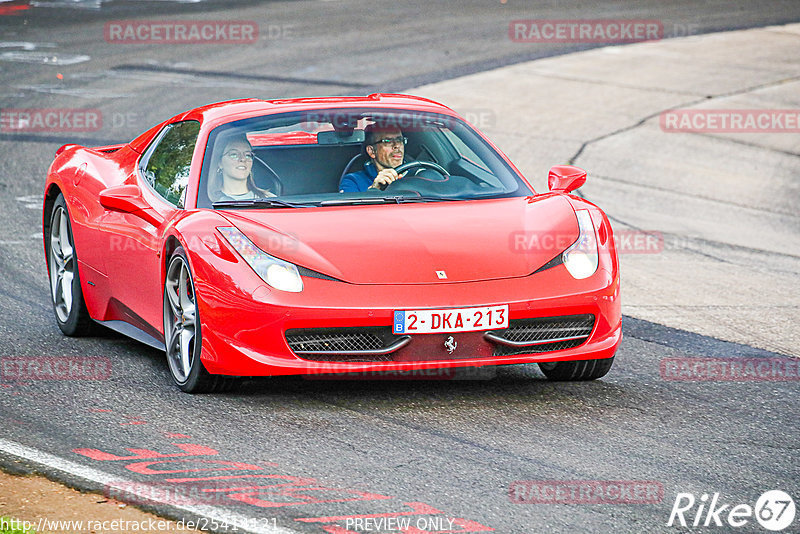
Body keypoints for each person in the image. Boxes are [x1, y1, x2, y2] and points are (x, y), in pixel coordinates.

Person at [339, 124, 408, 192]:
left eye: (399, 140)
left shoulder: (416, 174)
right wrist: (374, 189)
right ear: (372, 151)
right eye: (388, 141)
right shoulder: (353, 181)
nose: (397, 145)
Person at [208, 135, 275, 202]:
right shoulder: (208, 201)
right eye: (234, 154)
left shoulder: (269, 199)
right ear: (220, 163)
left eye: (247, 155)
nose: (243, 159)